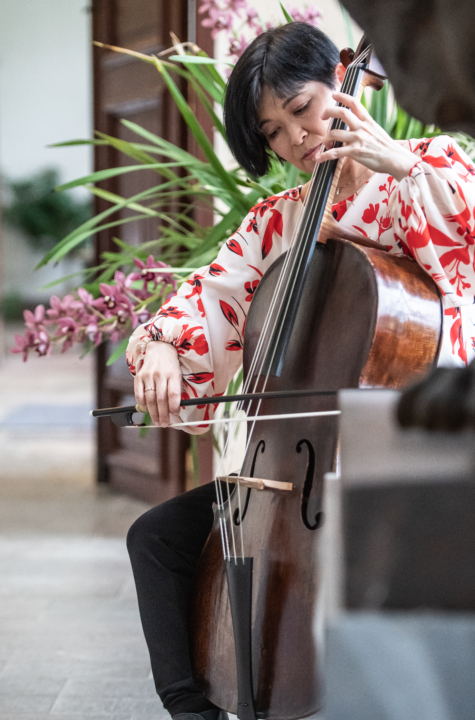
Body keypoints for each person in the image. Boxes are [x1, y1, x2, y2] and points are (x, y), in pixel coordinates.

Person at [125, 22, 475, 720]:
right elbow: (207, 300)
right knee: (157, 538)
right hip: (299, 471)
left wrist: (399, 168)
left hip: (413, 457)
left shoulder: (429, 167)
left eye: (301, 109)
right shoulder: (274, 223)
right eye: (273, 131)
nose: (296, 139)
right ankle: (192, 711)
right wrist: (161, 345)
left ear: (345, 81)